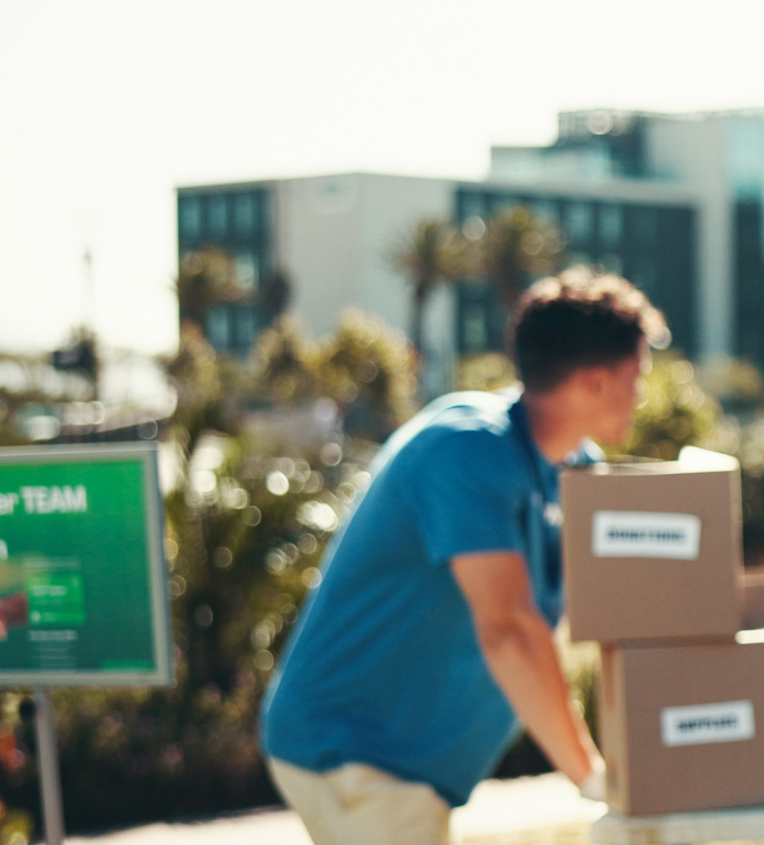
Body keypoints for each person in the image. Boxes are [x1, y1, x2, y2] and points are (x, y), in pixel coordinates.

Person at [260, 269, 665, 845]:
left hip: (406, 762)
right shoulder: (466, 450)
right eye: (635, 377)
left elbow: (612, 603)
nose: (642, 393)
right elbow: (509, 627)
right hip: (355, 751)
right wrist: (593, 777)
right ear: (594, 383)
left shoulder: (573, 466)